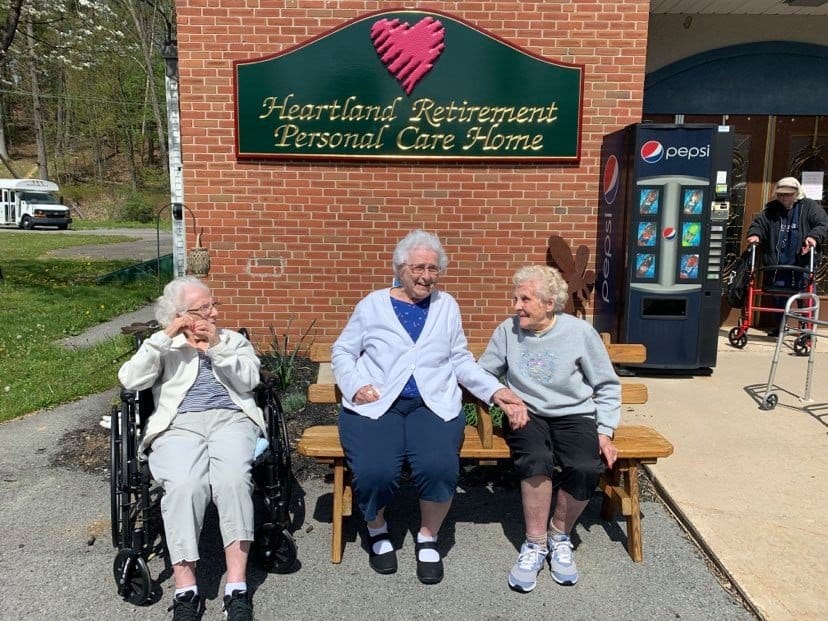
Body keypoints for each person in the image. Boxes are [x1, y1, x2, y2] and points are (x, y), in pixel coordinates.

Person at [331, 229, 527, 585]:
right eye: (418, 267)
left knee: (438, 468)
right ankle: (377, 530)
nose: (426, 276)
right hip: (377, 404)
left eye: (433, 269)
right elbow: (342, 351)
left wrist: (496, 392)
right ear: (400, 267)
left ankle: (427, 536)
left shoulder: (446, 306)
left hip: (432, 403)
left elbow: (461, 361)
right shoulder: (372, 305)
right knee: (376, 472)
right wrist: (355, 385)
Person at [118, 277, 264, 621]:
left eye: (214, 305)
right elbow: (130, 380)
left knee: (232, 480)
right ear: (182, 315)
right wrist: (165, 336)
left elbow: (249, 382)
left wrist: (217, 347)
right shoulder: (166, 348)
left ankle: (237, 587)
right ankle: (186, 589)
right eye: (205, 308)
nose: (214, 313)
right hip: (179, 425)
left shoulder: (233, 340)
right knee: (185, 485)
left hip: (231, 421)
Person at [477, 265, 621, 593]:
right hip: (527, 413)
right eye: (515, 298)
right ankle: (534, 543)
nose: (516, 306)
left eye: (525, 299)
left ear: (549, 304)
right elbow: (483, 372)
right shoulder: (507, 331)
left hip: (574, 414)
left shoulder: (580, 334)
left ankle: (559, 535)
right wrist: (503, 397)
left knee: (586, 466)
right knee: (535, 458)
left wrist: (606, 430)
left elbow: (607, 385)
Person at [746, 176, 828, 332]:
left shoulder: (809, 206)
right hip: (779, 262)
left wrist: (813, 237)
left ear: (797, 193)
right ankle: (781, 326)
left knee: (805, 294)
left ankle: (806, 327)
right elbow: (759, 224)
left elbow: (822, 224)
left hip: (802, 262)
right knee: (778, 295)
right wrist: (755, 234)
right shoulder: (771, 209)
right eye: (781, 194)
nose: (784, 197)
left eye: (788, 194)